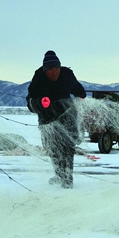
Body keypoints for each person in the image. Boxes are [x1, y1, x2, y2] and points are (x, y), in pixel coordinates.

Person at [27, 50, 86, 189]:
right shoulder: (38, 79)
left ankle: (67, 179)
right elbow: (30, 101)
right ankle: (59, 174)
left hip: (67, 115)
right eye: (51, 70)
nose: (55, 72)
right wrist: (41, 103)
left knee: (67, 148)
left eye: (57, 69)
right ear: (45, 70)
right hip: (48, 119)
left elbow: (77, 88)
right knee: (52, 149)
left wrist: (81, 95)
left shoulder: (66, 75)